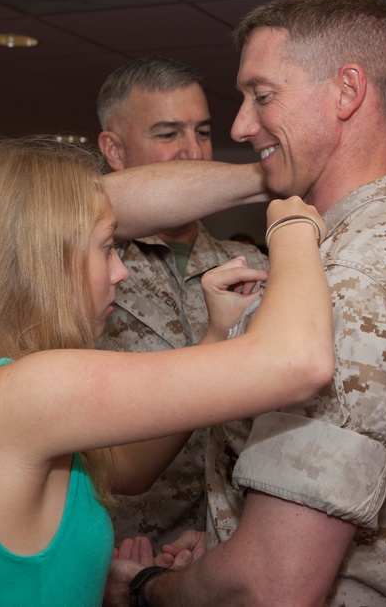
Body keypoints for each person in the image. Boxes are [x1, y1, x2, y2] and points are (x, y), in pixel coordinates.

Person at [111, 0, 386, 606]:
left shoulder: (348, 283)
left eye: (262, 96)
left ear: (347, 91)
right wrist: (227, 542)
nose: (241, 124)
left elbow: (273, 585)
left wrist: (148, 589)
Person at [0, 137, 335, 606]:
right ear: (44, 261)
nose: (122, 270)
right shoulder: (27, 391)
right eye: (108, 246)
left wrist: (212, 333)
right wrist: (292, 224)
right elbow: (298, 361)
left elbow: (129, 471)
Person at [95, 56, 267, 545]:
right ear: (115, 149)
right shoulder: (82, 270)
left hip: (227, 546)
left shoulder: (252, 265)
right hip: (120, 546)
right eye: (168, 135)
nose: (194, 153)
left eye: (204, 132)